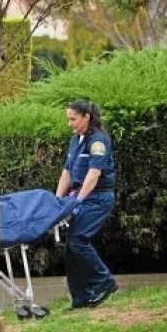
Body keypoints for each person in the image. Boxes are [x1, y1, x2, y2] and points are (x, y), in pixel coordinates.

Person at [55, 99, 118, 309]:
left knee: (78, 242)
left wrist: (78, 200)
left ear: (86, 117)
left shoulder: (98, 141)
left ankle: (104, 282)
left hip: (97, 198)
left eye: (73, 119)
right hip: (79, 197)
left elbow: (93, 174)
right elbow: (67, 172)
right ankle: (80, 299)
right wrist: (58, 200)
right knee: (71, 249)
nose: (69, 123)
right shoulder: (76, 140)